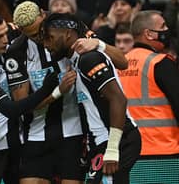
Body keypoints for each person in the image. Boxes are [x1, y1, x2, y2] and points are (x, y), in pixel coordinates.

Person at [7, 1, 128, 184]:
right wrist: (57, 93)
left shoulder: (70, 28)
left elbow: (122, 62)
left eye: (41, 31)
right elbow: (22, 104)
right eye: (33, 36)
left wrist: (98, 43)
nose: (41, 39)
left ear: (43, 14)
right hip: (37, 133)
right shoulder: (17, 51)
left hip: (74, 131)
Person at [42, 12, 141, 184]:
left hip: (115, 141)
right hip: (100, 143)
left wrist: (112, 149)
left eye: (50, 37)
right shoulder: (77, 61)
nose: (46, 45)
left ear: (68, 34)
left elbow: (119, 99)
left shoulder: (90, 59)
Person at [0, 9, 63, 184]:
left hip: (17, 141)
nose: (6, 40)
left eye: (5, 33)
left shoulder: (6, 34)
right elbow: (10, 110)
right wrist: (48, 89)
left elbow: (38, 22)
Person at [118, 10, 179, 157]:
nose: (166, 30)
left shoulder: (119, 65)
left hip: (129, 150)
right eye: (162, 26)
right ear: (149, 34)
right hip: (164, 148)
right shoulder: (159, 62)